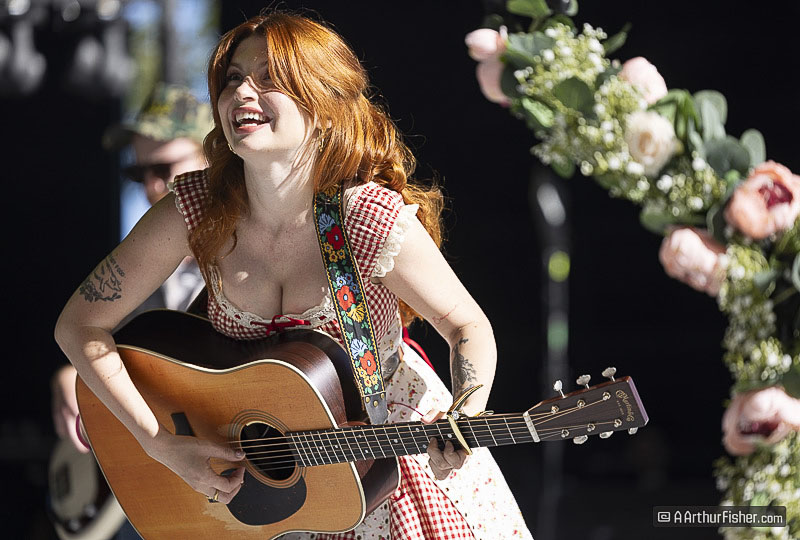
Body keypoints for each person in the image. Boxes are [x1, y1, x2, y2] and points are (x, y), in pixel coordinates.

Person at [55, 12, 533, 540]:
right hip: (256, 504)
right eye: (233, 78)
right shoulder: (194, 208)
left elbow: (466, 324)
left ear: (323, 106)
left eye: (269, 78)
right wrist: (158, 442)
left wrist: (466, 415)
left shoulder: (366, 219)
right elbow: (79, 325)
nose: (243, 92)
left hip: (386, 475)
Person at [50, 83, 211, 540]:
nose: (151, 187)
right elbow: (102, 344)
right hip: (166, 490)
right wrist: (72, 379)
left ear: (212, 160)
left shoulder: (253, 253)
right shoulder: (139, 268)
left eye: (164, 169)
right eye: (138, 173)